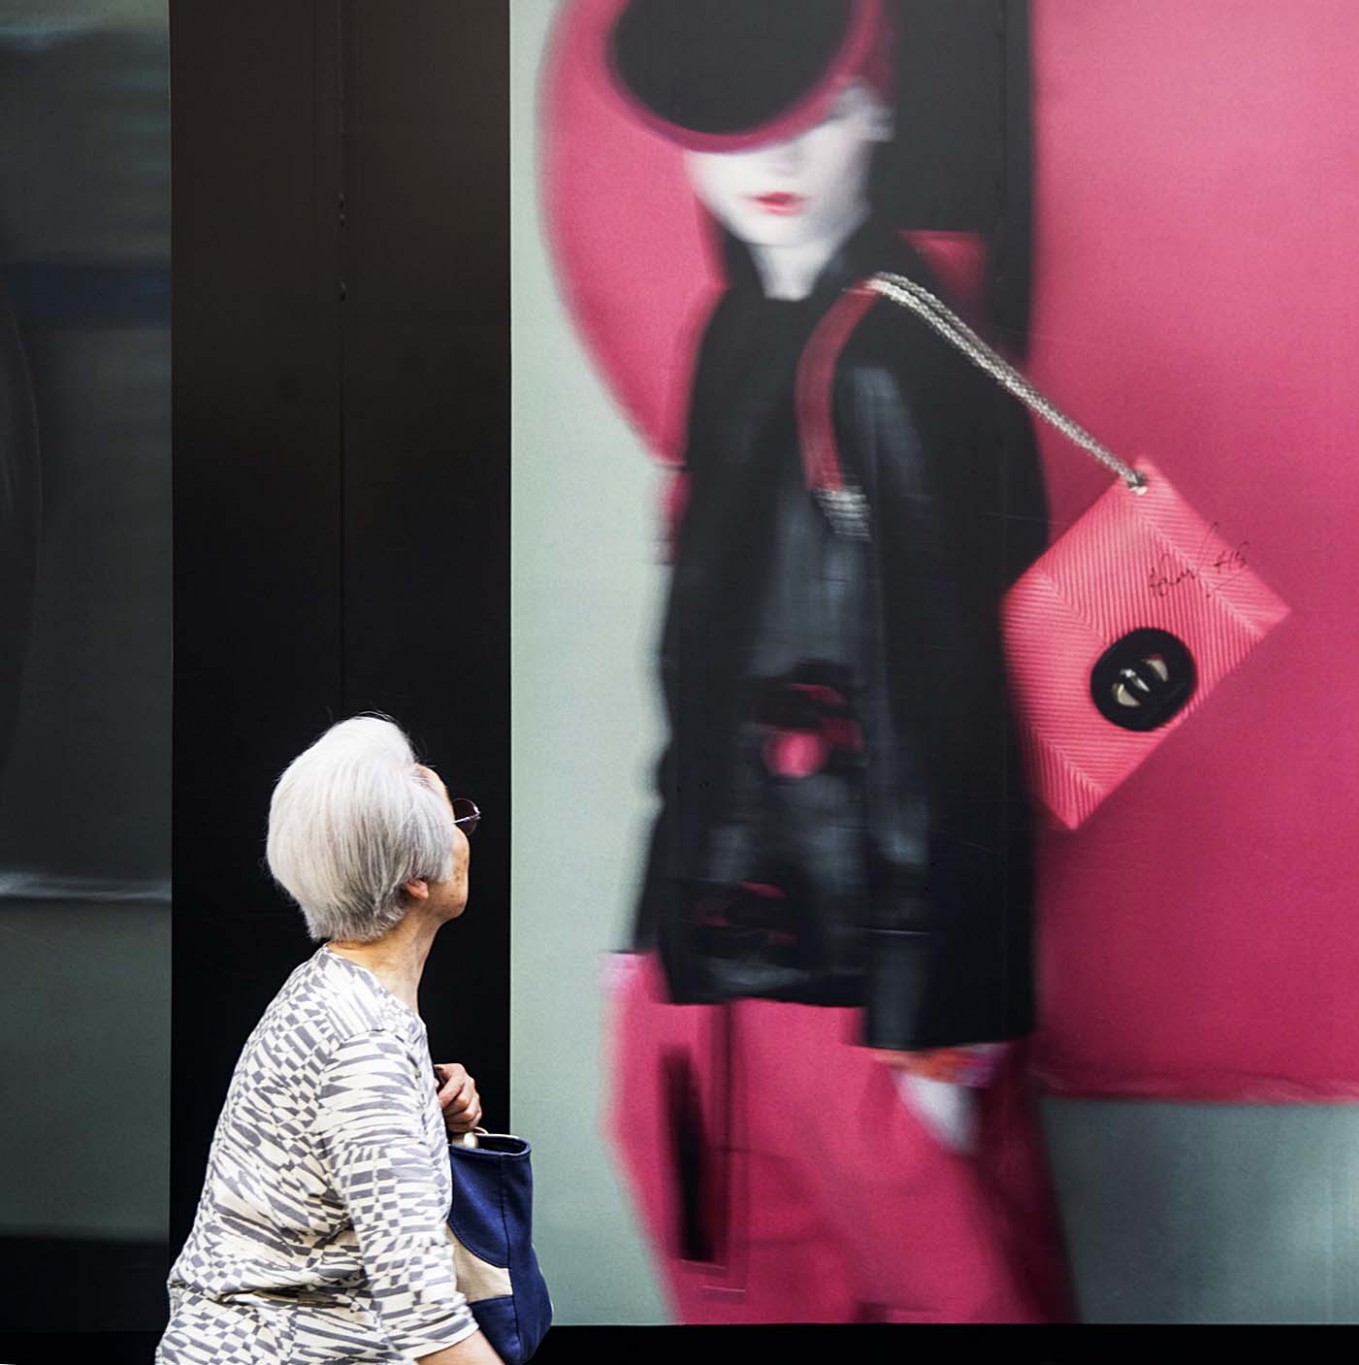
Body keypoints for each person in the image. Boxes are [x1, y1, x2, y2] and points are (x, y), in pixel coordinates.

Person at [603, 0, 1067, 1324]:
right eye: (738, 127)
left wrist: (936, 1010)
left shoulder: (894, 353)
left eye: (818, 113)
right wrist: (653, 923)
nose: (778, 158)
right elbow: (702, 672)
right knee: (749, 1278)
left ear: (877, 112)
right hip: (730, 948)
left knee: (950, 1291)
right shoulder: (736, 330)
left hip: (863, 975)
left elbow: (946, 706)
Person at [159, 717, 499, 1364]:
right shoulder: (364, 1044)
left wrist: (426, 1115)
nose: (466, 836)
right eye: (455, 818)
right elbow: (425, 1317)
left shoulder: (333, 989)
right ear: (415, 875)